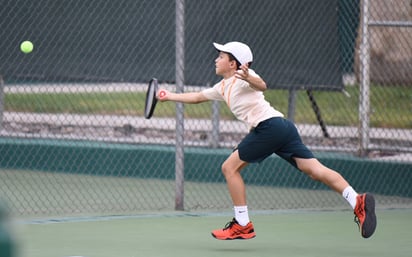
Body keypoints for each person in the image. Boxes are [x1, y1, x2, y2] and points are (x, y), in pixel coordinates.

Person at [157, 41, 377, 240]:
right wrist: (169, 96)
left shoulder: (243, 77)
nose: (216, 59)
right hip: (282, 127)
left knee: (229, 168)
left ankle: (242, 224)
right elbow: (197, 97)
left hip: (269, 128)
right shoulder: (223, 87)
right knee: (313, 170)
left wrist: (249, 76)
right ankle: (357, 200)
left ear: (233, 63)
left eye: (221, 56)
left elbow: (261, 84)